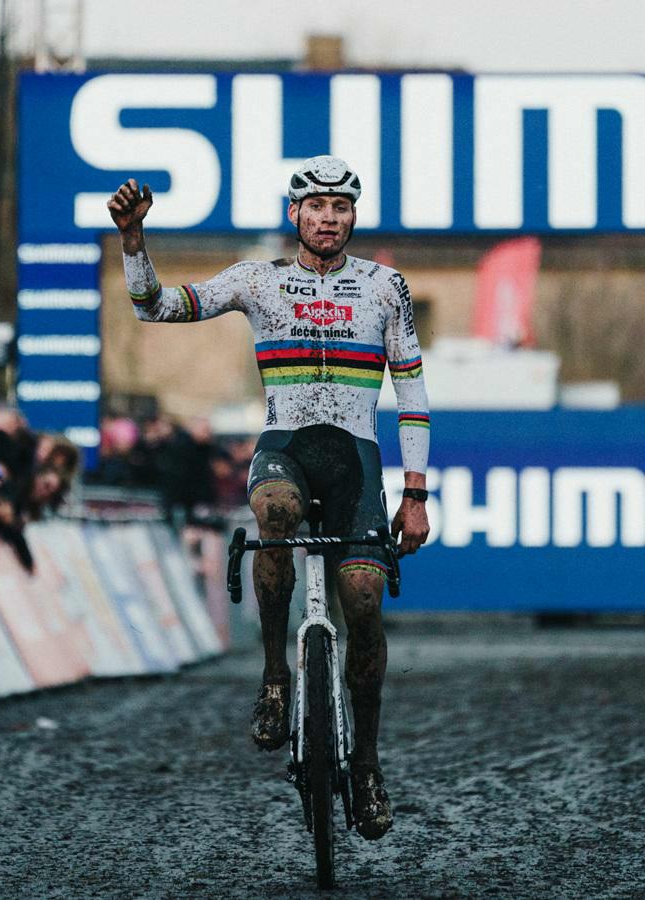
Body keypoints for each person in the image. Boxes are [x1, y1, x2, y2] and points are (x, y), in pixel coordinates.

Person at [108, 155, 430, 841]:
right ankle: (276, 677)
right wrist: (135, 245)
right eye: (317, 207)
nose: (329, 219)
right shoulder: (259, 279)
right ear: (296, 215)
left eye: (341, 208)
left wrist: (415, 493)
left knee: (367, 610)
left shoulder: (385, 286)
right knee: (274, 515)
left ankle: (367, 765)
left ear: (353, 216)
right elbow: (157, 307)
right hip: (285, 448)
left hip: (356, 461)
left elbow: (412, 393)